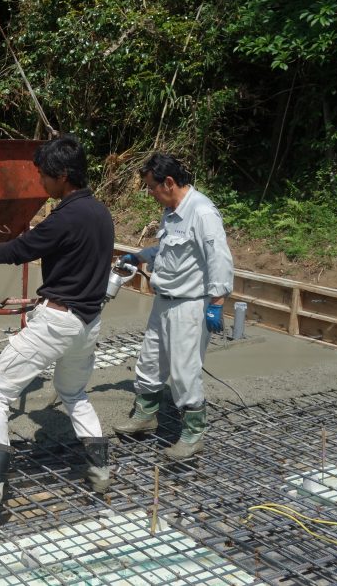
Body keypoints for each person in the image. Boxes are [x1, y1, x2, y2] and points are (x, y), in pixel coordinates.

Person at [0, 135, 115, 506]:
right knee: (73, 392)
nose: (40, 182)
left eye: (44, 176)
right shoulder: (100, 212)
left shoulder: (65, 217)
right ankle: (100, 468)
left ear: (63, 175)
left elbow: (20, 250)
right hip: (88, 323)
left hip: (57, 322)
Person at [113, 153, 234, 459]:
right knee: (150, 361)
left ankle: (193, 433)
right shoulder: (172, 211)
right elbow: (169, 251)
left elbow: (219, 257)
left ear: (168, 182)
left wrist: (217, 302)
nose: (151, 194)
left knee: (183, 370)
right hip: (164, 301)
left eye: (152, 188)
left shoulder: (202, 212)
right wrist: (140, 257)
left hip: (190, 306)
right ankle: (145, 415)